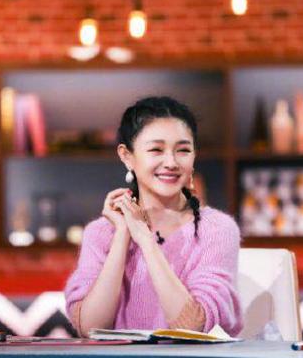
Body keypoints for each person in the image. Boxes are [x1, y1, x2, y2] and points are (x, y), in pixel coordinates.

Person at [64, 96, 243, 337]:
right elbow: (91, 328)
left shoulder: (216, 229)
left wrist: (146, 240)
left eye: (183, 150)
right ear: (127, 156)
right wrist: (123, 235)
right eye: (156, 150)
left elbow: (192, 327)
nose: (171, 162)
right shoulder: (101, 232)